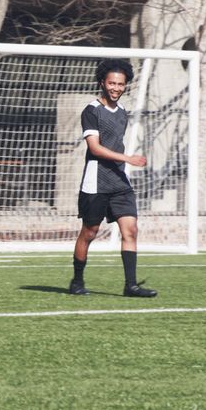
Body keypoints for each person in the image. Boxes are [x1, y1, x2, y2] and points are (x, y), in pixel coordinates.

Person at [69, 59, 157, 298]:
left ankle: (131, 286)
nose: (116, 88)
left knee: (131, 230)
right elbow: (95, 149)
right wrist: (128, 159)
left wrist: (124, 163)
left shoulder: (122, 113)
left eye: (120, 84)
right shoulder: (91, 111)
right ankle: (77, 280)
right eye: (112, 83)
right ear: (102, 83)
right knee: (89, 232)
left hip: (119, 183)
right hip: (96, 181)